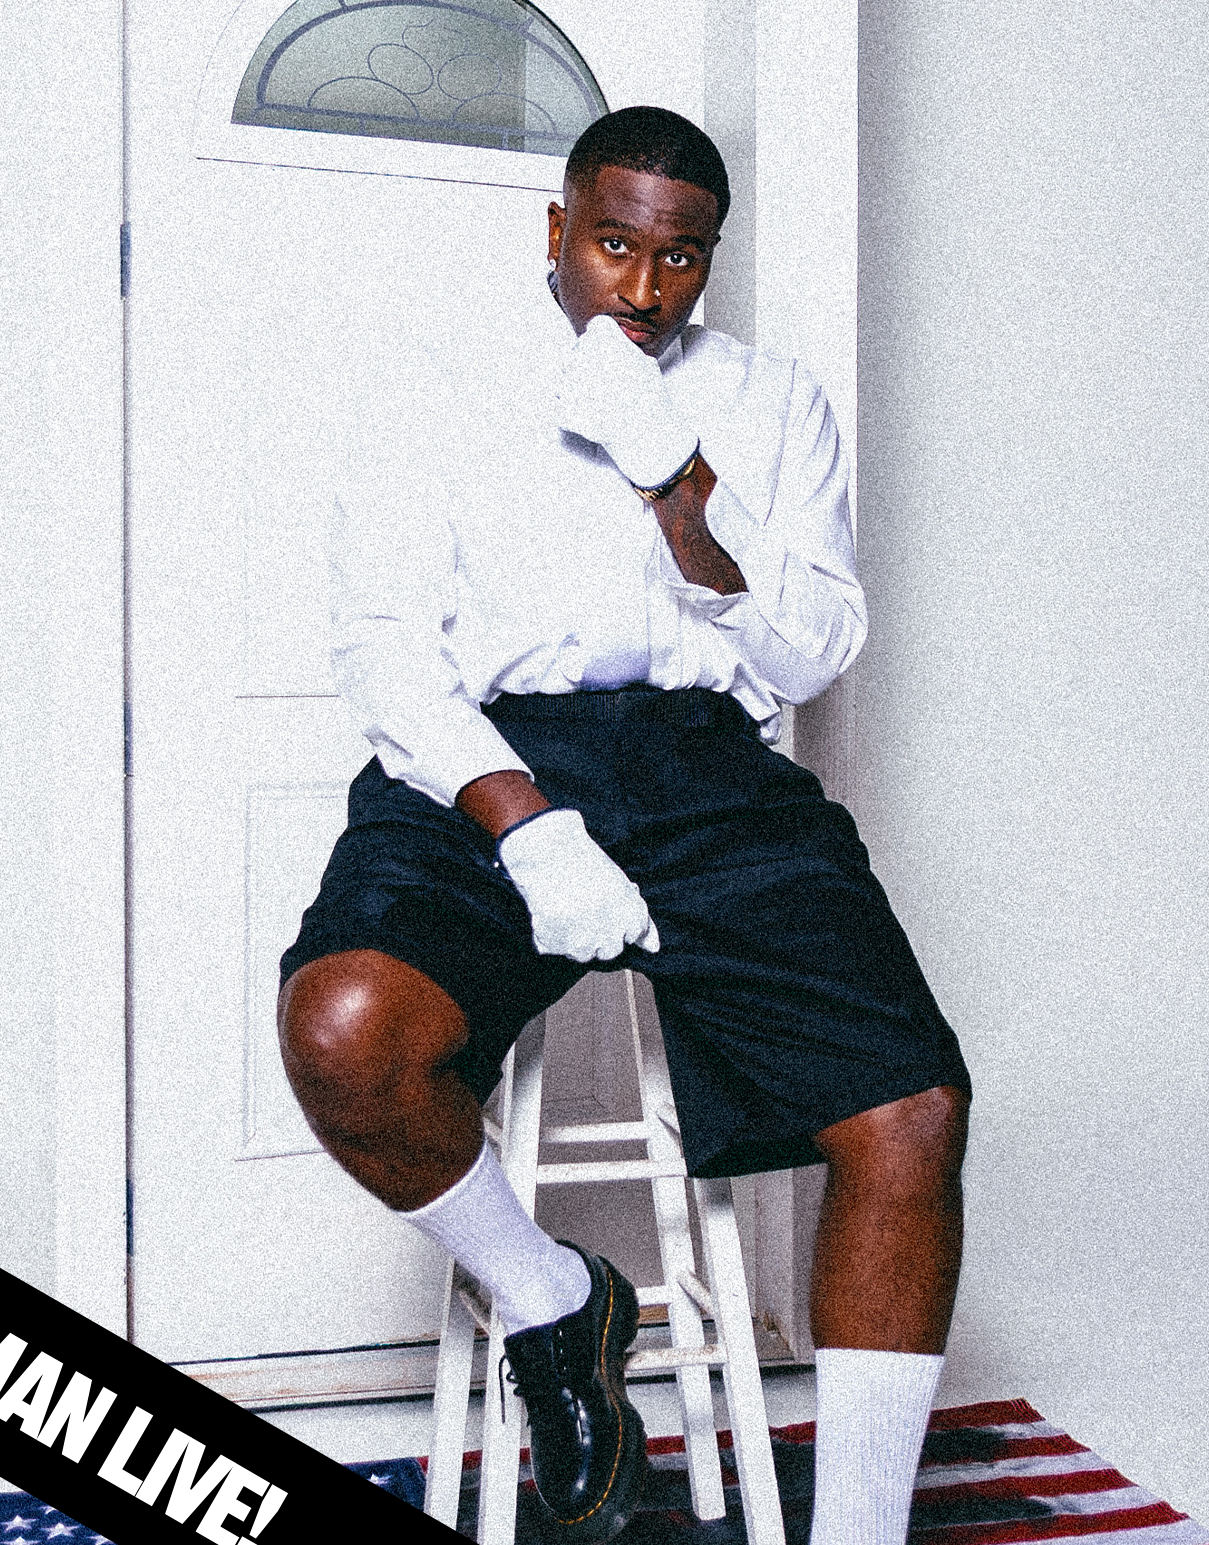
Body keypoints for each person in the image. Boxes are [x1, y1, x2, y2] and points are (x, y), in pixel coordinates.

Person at [277, 105, 971, 1544]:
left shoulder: (772, 403)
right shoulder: (438, 385)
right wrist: (525, 827)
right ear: (557, 229)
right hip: (486, 755)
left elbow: (813, 656)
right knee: (345, 1026)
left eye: (681, 259)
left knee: (911, 1112)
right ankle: (551, 1304)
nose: (643, 291)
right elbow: (387, 650)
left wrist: (681, 487)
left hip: (704, 764)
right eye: (613, 245)